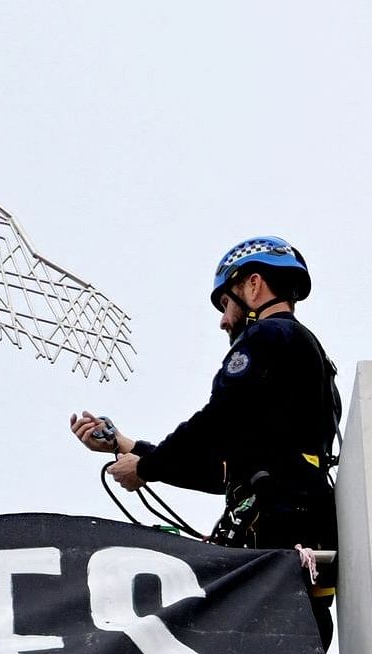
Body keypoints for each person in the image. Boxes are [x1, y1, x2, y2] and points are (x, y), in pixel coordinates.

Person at [71, 237, 344, 579]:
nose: (224, 321)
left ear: (254, 285)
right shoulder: (304, 357)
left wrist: (147, 468)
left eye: (226, 303)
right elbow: (223, 473)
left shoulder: (267, 336)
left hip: (278, 527)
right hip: (301, 527)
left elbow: (216, 421)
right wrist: (125, 445)